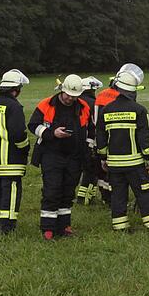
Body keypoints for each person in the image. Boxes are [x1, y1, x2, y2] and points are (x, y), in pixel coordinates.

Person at [97, 69, 149, 232]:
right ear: (133, 91)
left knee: (118, 195)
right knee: (145, 194)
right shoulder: (139, 110)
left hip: (114, 164)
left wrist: (104, 158)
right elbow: (143, 139)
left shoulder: (106, 110)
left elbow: (101, 139)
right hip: (135, 164)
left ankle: (120, 227)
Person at [28, 74, 92, 240]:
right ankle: (48, 229)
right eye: (68, 95)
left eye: (74, 96)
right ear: (62, 90)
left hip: (74, 156)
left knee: (68, 191)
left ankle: (64, 226)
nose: (70, 99)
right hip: (51, 154)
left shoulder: (84, 106)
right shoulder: (46, 104)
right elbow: (33, 125)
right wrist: (52, 133)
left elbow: (90, 130)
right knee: (52, 190)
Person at [0, 70, 31, 233]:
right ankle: (7, 226)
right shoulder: (15, 106)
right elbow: (18, 134)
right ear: (15, 89)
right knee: (11, 191)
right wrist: (25, 147)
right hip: (12, 159)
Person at [75, 76, 103, 205]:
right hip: (89, 142)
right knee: (91, 170)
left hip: (72, 141)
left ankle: (80, 196)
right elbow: (96, 125)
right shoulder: (94, 103)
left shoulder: (74, 101)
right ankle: (85, 198)